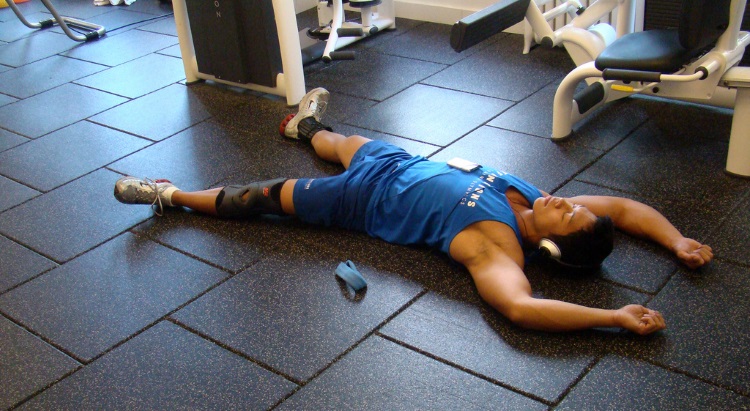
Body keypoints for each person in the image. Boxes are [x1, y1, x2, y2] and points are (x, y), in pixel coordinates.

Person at [114, 88, 713, 336]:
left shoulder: (497, 247)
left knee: (259, 198)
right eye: (573, 205)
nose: (564, 202)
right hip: (395, 162)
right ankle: (305, 124)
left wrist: (609, 318)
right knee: (335, 141)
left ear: (552, 247)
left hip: (359, 201)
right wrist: (678, 240)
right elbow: (628, 209)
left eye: (567, 217)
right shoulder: (537, 198)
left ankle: (168, 196)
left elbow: (519, 306)